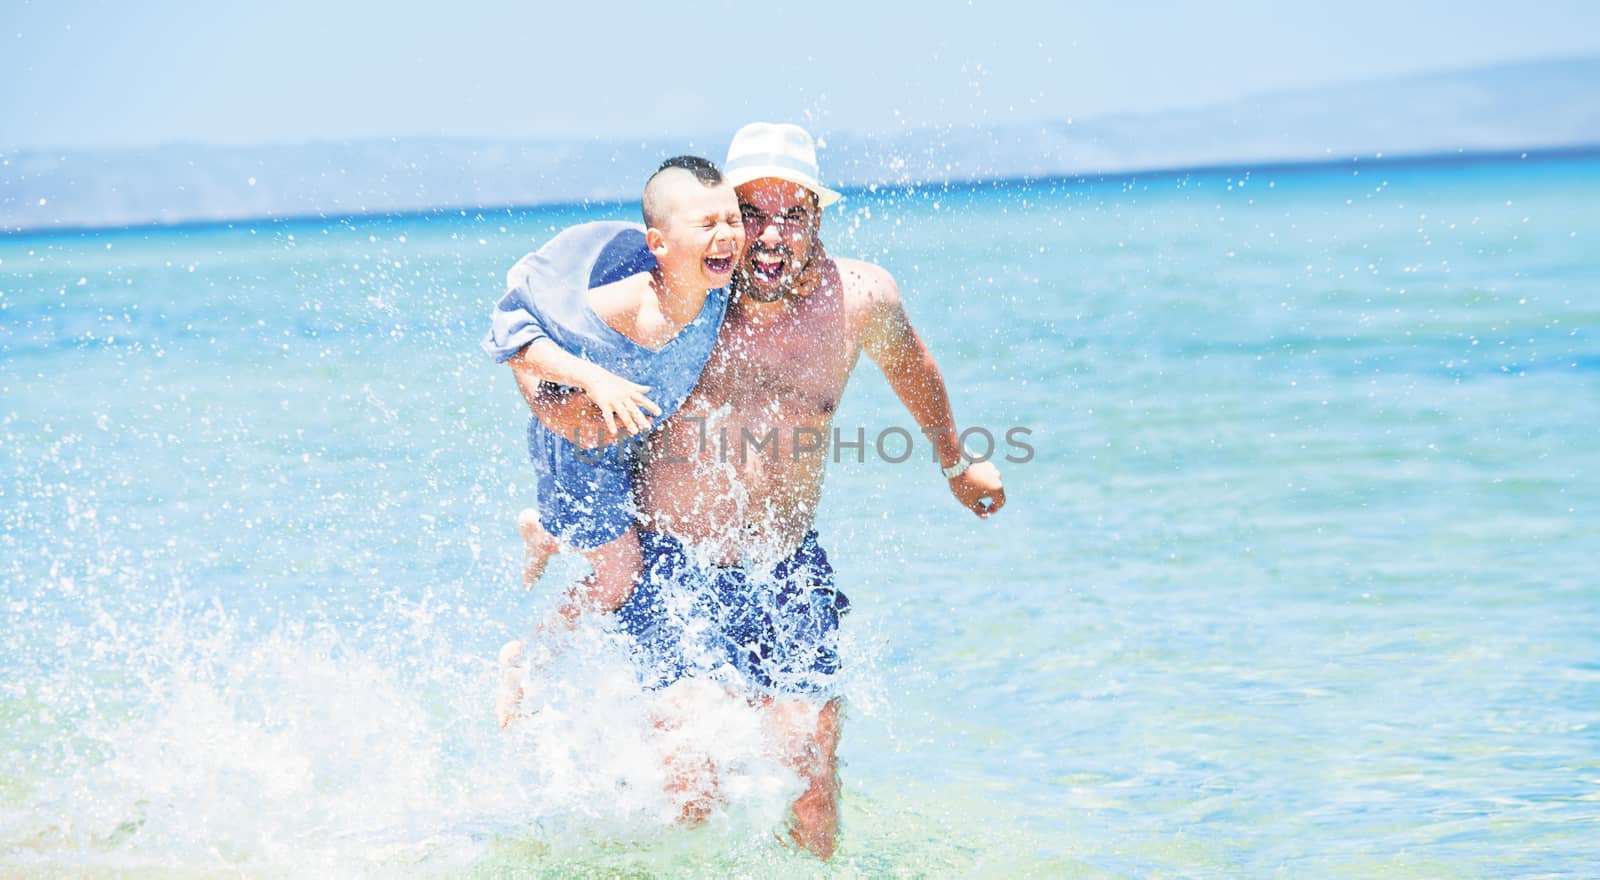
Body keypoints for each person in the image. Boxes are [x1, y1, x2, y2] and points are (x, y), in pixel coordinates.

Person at [502, 123, 1006, 860]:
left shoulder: (859, 300)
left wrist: (957, 464)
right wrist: (572, 511)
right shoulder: (683, 298)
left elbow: (914, 368)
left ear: (818, 218)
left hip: (788, 564)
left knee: (811, 772)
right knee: (691, 781)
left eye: (792, 214)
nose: (771, 235)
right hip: (673, 565)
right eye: (753, 214)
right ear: (725, 218)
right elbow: (545, 367)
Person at [481, 156, 745, 658]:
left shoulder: (717, 291)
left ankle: (546, 530)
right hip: (577, 449)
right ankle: (529, 655)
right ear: (659, 245)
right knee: (620, 575)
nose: (727, 235)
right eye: (707, 224)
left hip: (634, 440)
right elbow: (512, 338)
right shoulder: (624, 303)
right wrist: (593, 379)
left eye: (732, 220)